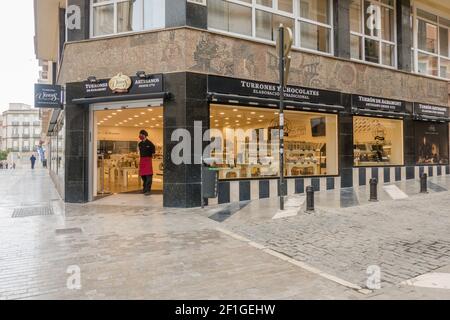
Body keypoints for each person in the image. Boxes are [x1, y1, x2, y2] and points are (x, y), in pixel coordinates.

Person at [138, 130, 156, 196]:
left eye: (141, 135)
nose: (140, 136)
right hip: (142, 160)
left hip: (148, 160)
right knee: (143, 175)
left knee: (148, 175)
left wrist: (152, 155)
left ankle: (148, 190)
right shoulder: (139, 144)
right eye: (140, 135)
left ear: (145, 135)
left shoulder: (150, 143)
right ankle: (144, 188)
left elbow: (153, 151)